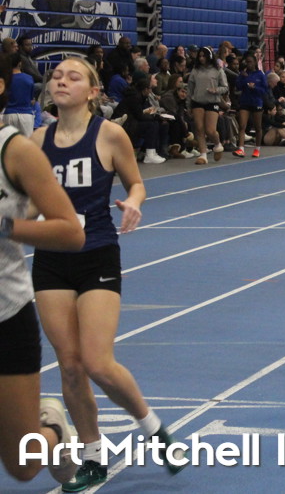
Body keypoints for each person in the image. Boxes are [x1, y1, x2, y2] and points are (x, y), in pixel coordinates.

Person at [30, 57, 186, 491]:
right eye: (56, 76)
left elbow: (136, 183)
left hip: (96, 255)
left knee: (97, 362)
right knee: (70, 366)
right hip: (51, 260)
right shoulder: (38, 141)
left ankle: (152, 426)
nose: (61, 81)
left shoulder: (109, 135)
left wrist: (133, 202)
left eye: (73, 76)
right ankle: (93, 455)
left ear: (93, 91)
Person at [0, 54, 84, 486]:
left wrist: (5, 227)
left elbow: (70, 232)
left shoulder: (16, 152)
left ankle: (52, 428)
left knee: (23, 465)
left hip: (5, 315)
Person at [187, 46, 229, 164]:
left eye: (203, 56)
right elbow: (190, 89)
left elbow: (225, 87)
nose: (201, 58)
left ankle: (217, 144)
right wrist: (188, 105)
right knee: (199, 129)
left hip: (212, 102)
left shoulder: (218, 70)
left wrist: (216, 90)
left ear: (209, 57)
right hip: (197, 102)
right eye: (200, 56)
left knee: (210, 130)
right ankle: (203, 154)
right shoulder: (195, 70)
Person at [234, 54, 269, 158]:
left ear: (254, 63)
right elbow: (238, 87)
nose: (248, 64)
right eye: (246, 62)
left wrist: (254, 88)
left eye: (250, 62)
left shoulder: (260, 74)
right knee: (242, 126)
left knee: (258, 127)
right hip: (245, 102)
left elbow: (264, 90)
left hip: (256, 102)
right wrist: (242, 77)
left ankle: (257, 149)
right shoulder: (243, 74)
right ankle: (241, 149)